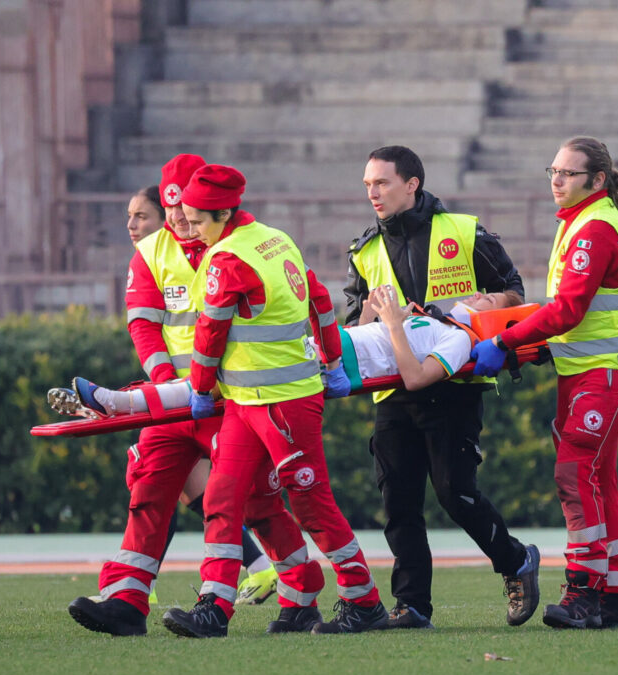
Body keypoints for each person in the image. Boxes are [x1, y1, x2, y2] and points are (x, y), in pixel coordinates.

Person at [161, 164, 386, 638]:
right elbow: (319, 298)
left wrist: (201, 390)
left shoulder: (227, 260)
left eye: (198, 221)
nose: (190, 230)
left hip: (283, 404)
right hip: (250, 402)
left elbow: (209, 337)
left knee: (311, 504)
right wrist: (330, 361)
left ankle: (363, 600)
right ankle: (219, 606)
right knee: (224, 498)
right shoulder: (273, 238)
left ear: (223, 214)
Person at [64, 155, 277, 638]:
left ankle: (250, 600)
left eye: (187, 207)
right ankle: (127, 599)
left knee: (240, 504)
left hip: (234, 398)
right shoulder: (151, 252)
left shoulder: (240, 245)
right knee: (149, 491)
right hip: (176, 401)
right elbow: (144, 324)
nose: (179, 217)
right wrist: (166, 384)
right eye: (172, 206)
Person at [344, 145, 540, 629]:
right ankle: (412, 606)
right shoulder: (363, 250)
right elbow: (354, 325)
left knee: (455, 492)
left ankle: (515, 562)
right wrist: (379, 313)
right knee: (399, 501)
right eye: (368, 184)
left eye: (382, 182)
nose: (372, 192)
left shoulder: (464, 231)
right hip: (393, 389)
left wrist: (474, 304)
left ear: (412, 184)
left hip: (455, 380)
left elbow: (515, 293)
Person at [471, 136, 618, 629]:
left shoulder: (593, 227)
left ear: (596, 181)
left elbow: (568, 309)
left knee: (575, 472)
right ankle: (613, 597)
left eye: (567, 173)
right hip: (593, 369)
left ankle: (583, 593)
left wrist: (507, 341)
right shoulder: (581, 221)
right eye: (552, 171)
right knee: (598, 477)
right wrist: (540, 344)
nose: (556, 180)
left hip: (611, 370)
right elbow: (582, 316)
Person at [50, 292, 516, 418]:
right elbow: (379, 346)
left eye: (491, 300)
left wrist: (391, 325)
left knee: (220, 369)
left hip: (329, 363)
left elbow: (413, 378)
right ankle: (121, 400)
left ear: (490, 320)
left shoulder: (458, 339)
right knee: (217, 363)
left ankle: (119, 402)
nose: (480, 295)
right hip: (330, 350)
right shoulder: (434, 322)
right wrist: (378, 318)